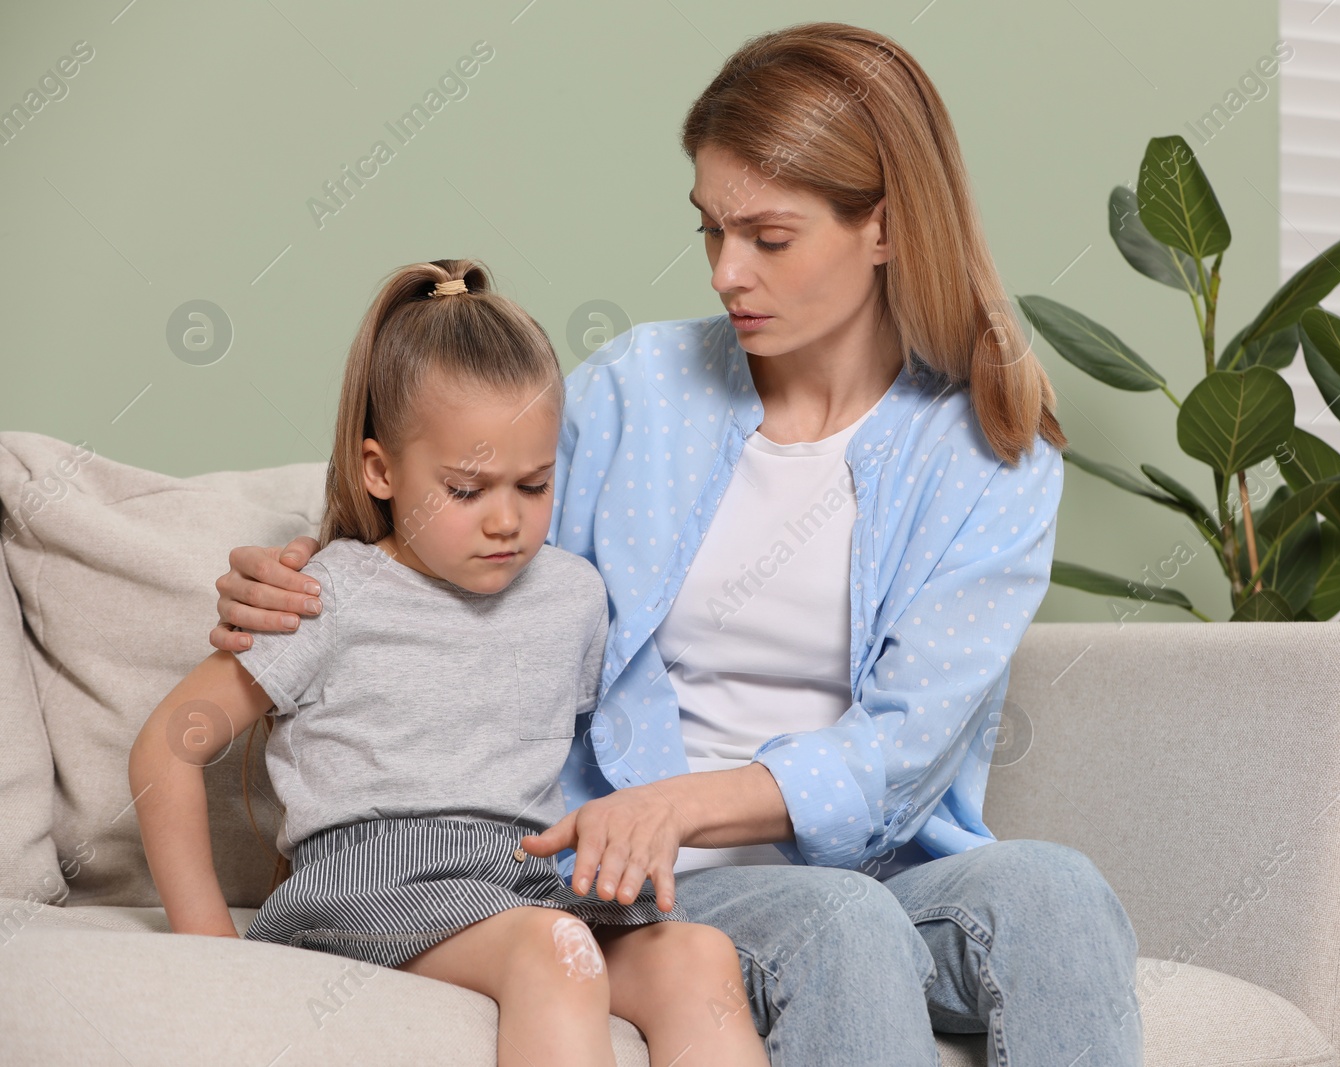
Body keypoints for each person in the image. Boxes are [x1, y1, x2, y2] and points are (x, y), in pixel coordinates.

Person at [208, 22, 1142, 1067]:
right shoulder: (634, 392)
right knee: (838, 920)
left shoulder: (990, 452)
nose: (724, 272)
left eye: (768, 238)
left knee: (1057, 890)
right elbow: (460, 544)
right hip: (644, 885)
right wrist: (312, 562)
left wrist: (679, 801)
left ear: (881, 226)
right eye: (710, 230)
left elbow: (905, 746)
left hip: (871, 869)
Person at [129, 259, 769, 1067]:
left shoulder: (574, 598)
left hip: (518, 880)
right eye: (467, 490)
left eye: (533, 485)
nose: (506, 519)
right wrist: (212, 949)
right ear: (381, 471)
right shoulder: (330, 594)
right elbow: (165, 745)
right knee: (557, 948)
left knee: (699, 957)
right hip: (368, 886)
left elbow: (609, 759)